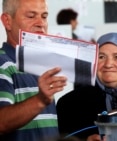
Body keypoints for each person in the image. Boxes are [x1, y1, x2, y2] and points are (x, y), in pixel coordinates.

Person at [0, 0, 68, 141]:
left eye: (44, 16)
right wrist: (40, 100)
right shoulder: (3, 63)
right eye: (31, 16)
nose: (40, 23)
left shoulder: (42, 67)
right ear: (7, 21)